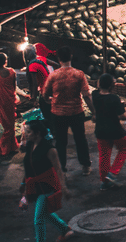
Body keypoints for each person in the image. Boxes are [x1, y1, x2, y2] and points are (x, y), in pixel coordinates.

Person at [20, 111, 74, 242]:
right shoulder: (30, 145)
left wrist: (64, 188)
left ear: (37, 133)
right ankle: (65, 229)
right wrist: (24, 186)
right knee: (45, 213)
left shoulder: (49, 149)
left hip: (47, 186)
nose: (27, 134)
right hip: (34, 187)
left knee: (38, 218)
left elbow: (58, 169)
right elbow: (28, 166)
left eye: (29, 132)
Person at [43, 46, 93, 175]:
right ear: (71, 57)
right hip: (76, 112)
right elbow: (87, 95)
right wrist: (94, 112)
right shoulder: (79, 74)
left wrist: (49, 100)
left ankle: (62, 169)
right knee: (80, 139)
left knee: (60, 142)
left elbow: (45, 94)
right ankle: (86, 166)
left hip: (58, 114)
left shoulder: (53, 75)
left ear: (58, 59)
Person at [92, 73, 126, 191]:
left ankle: (104, 182)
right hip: (115, 131)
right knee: (124, 148)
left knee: (104, 156)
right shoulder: (114, 98)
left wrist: (120, 105)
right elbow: (121, 116)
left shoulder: (95, 95)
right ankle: (112, 173)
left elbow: (105, 104)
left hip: (100, 131)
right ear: (111, 86)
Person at [0, 53, 19, 156]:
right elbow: (14, 87)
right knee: (11, 125)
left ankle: (4, 149)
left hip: (0, 103)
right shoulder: (12, 72)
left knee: (4, 126)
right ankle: (11, 147)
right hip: (10, 101)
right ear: (5, 61)